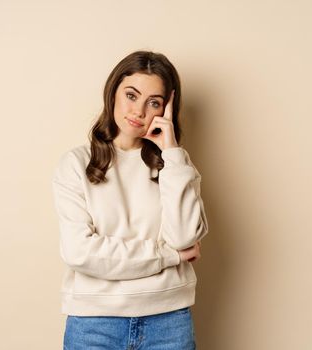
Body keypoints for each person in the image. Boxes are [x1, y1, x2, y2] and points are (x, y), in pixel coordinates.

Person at [51, 50, 209, 349]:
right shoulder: (75, 164)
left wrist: (172, 151)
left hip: (168, 321)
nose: (139, 111)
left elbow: (185, 234)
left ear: (166, 109)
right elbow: (80, 252)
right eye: (131, 95)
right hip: (94, 324)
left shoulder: (175, 163)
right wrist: (170, 256)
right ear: (113, 93)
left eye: (154, 103)